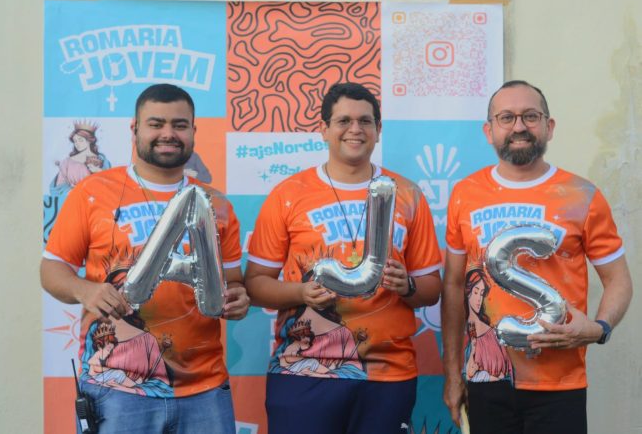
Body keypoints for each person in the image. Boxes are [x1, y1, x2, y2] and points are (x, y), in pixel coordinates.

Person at [41, 83, 250, 434]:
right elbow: (51, 269)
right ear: (135, 129)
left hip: (204, 389)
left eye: (179, 125)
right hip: (115, 388)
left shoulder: (217, 205)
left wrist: (239, 299)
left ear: (193, 131)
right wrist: (84, 290)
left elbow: (234, 284)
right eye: (156, 124)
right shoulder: (91, 192)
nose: (168, 134)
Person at [244, 82, 443, 434]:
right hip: (303, 369)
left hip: (387, 375)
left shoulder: (409, 194)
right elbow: (256, 285)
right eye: (344, 121)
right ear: (324, 129)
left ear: (378, 130)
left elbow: (432, 289)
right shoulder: (288, 194)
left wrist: (408, 286)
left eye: (365, 121)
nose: (355, 129)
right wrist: (300, 293)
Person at [441, 80, 633, 434]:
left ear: (549, 126)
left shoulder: (582, 194)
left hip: (560, 384)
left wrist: (599, 328)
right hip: (487, 378)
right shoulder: (465, 194)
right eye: (506, 117)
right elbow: (453, 287)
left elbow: (618, 279)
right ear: (489, 130)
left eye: (530, 116)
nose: (519, 126)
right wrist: (452, 375)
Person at [50, 121, 111, 196]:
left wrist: (98, 171)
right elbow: (59, 187)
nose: (77, 144)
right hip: (73, 198)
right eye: (75, 141)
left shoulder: (101, 159)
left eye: (80, 140)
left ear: (89, 140)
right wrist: (73, 191)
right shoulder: (67, 162)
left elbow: (110, 182)